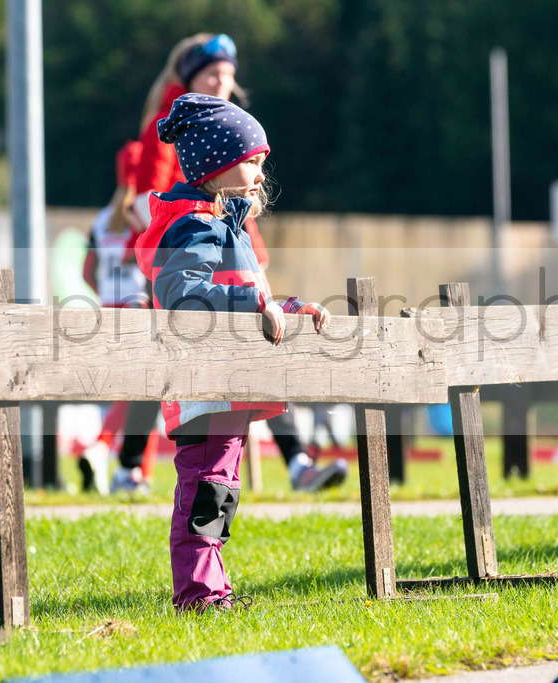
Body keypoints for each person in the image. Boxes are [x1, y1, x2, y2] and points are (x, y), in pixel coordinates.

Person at [118, 32, 347, 493]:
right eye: (212, 74)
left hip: (227, 255)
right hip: (180, 252)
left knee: (264, 346)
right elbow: (144, 200)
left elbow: (238, 207)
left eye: (229, 75)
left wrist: (242, 250)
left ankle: (298, 461)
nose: (223, 82)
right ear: (191, 79)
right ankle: (128, 465)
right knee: (161, 363)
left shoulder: (234, 125)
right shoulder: (173, 129)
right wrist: (190, 229)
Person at [135, 94, 330, 612]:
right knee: (205, 493)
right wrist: (253, 302)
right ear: (216, 168)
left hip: (228, 388)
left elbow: (243, 289)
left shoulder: (226, 227)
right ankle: (198, 595)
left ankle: (212, 590)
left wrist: (286, 306)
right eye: (252, 163)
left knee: (219, 493)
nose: (261, 175)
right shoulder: (196, 227)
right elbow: (185, 294)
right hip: (205, 390)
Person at [78, 140, 157, 494]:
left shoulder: (99, 221)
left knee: (131, 392)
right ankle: (108, 450)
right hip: (138, 307)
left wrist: (105, 296)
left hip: (107, 309)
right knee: (147, 389)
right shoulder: (145, 215)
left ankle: (127, 465)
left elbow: (86, 271)